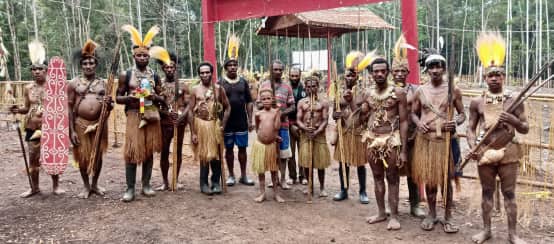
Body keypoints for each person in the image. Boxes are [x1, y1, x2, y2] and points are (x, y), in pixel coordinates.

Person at [467, 31, 528, 244]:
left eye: (498, 74)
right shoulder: (477, 101)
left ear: (504, 76)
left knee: (509, 193)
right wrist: (473, 145)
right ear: (484, 77)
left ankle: (513, 234)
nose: (494, 78)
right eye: (490, 75)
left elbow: (525, 128)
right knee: (487, 191)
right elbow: (471, 128)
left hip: (509, 151)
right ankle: (486, 230)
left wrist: (512, 119)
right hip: (485, 150)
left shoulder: (515, 99)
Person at [411, 53, 466, 233]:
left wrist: (455, 122)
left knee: (446, 181)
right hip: (426, 142)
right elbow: (413, 113)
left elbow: (462, 114)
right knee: (430, 180)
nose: (435, 70)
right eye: (431, 67)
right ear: (427, 70)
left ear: (443, 68)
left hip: (445, 142)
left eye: (438, 66)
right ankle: (432, 214)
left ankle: (448, 216)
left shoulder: (453, 90)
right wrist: (419, 124)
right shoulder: (420, 90)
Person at [10, 40, 65, 197]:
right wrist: (17, 110)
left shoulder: (54, 87)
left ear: (47, 70)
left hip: (51, 127)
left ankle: (56, 186)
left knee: (52, 156)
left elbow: (61, 108)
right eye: (34, 69)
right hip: (32, 128)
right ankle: (34, 187)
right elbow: (26, 108)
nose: (37, 72)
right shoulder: (28, 88)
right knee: (33, 158)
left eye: (40, 69)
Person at [359, 57, 408, 230]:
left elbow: (403, 121)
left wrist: (403, 150)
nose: (379, 74)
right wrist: (360, 108)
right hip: (372, 140)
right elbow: (358, 115)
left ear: (388, 72)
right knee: (377, 177)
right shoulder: (366, 93)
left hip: (391, 140)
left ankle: (394, 216)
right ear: (371, 73)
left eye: (383, 71)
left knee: (392, 178)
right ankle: (381, 212)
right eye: (376, 71)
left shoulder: (399, 93)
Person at [117, 25, 165, 202]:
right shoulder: (126, 74)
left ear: (149, 56)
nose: (143, 57)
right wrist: (130, 98)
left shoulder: (155, 75)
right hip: (134, 115)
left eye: (145, 55)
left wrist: (154, 96)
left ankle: (146, 184)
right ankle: (130, 188)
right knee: (131, 152)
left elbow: (162, 98)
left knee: (148, 151)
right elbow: (117, 97)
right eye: (139, 55)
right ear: (134, 56)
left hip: (151, 115)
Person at [67, 39, 112, 199]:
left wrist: (109, 104)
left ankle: (95, 184)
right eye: (85, 63)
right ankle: (86, 186)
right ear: (81, 65)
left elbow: (109, 107)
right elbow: (69, 108)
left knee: (98, 155)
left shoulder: (103, 83)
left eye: (91, 63)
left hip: (99, 125)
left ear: (96, 64)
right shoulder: (73, 84)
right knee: (83, 156)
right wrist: (71, 131)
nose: (88, 66)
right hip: (80, 124)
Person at [390, 35, 426, 217]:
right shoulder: (387, 91)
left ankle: (415, 205)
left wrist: (418, 129)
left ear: (408, 73)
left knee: (414, 172)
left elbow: (422, 112)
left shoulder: (416, 90)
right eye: (396, 71)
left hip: (413, 137)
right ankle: (392, 204)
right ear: (391, 72)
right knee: (392, 171)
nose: (399, 74)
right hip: (391, 137)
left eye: (402, 71)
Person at [332, 51, 370, 204]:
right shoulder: (337, 92)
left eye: (352, 75)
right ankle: (343, 190)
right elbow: (334, 113)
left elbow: (362, 115)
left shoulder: (363, 93)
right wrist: (334, 116)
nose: (349, 78)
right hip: (344, 131)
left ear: (357, 77)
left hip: (358, 131)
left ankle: (363, 191)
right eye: (347, 75)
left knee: (360, 162)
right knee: (342, 162)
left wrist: (352, 100)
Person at [189, 61, 231, 195]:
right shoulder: (195, 90)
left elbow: (228, 107)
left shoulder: (219, 89)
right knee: (204, 154)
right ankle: (204, 184)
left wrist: (223, 124)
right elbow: (190, 111)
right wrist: (193, 132)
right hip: (201, 125)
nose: (205, 75)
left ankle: (216, 182)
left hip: (215, 125)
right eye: (202, 73)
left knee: (216, 155)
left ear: (212, 73)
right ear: (199, 75)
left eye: (207, 72)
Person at [218, 35, 255, 186]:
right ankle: (231, 175)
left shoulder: (243, 82)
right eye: (230, 65)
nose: (233, 67)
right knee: (228, 150)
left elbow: (249, 102)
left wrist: (250, 120)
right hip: (226, 123)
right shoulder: (219, 83)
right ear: (225, 68)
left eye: (235, 65)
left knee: (242, 149)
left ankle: (244, 175)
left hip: (241, 122)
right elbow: (216, 104)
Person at [257, 60, 295, 190]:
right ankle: (274, 179)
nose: (278, 72)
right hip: (269, 127)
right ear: (271, 70)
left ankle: (283, 179)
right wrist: (269, 106)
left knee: (283, 154)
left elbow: (292, 106)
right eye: (275, 69)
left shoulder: (287, 87)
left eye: (280, 70)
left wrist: (280, 112)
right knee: (272, 153)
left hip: (283, 125)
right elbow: (258, 104)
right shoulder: (264, 86)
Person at [155, 51, 190, 191]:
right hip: (164, 124)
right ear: (163, 68)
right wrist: (166, 113)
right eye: (167, 67)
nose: (169, 69)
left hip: (179, 123)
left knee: (178, 151)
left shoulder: (183, 86)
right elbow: (154, 106)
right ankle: (165, 182)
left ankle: (176, 180)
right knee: (164, 151)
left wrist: (181, 116)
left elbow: (188, 105)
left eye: (172, 67)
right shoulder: (158, 87)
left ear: (176, 68)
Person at [296, 75, 330, 198]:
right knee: (306, 161)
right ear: (305, 88)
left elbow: (325, 120)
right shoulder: (301, 102)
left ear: (318, 87)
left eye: (314, 86)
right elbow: (298, 120)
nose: (311, 89)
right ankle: (309, 186)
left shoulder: (323, 102)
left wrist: (317, 131)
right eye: (309, 87)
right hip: (306, 135)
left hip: (319, 135)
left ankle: (322, 188)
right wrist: (305, 129)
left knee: (320, 163)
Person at [251, 88, 284, 203]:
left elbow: (277, 127)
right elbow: (257, 128)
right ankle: (262, 193)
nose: (266, 101)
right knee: (261, 170)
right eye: (263, 99)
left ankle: (276, 194)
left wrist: (278, 113)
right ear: (260, 100)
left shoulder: (275, 112)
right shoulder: (258, 114)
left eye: (268, 98)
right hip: (260, 145)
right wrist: (262, 137)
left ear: (272, 99)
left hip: (272, 146)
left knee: (274, 170)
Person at [288, 66, 307, 185]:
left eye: (296, 76)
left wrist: (301, 125)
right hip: (289, 125)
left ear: (300, 76)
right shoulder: (285, 88)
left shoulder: (305, 89)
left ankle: (303, 176)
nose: (294, 78)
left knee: (303, 151)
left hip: (302, 126)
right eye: (292, 75)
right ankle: (292, 176)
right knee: (290, 152)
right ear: (289, 75)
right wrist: (291, 125)